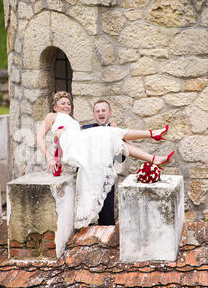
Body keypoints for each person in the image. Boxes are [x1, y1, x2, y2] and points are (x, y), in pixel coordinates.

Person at [36, 91, 173, 229]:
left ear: (109, 113)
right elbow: (40, 137)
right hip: (77, 153)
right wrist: (50, 157)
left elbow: (119, 159)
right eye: (62, 103)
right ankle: (151, 135)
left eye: (68, 103)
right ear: (55, 107)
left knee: (114, 135)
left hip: (103, 171)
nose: (66, 106)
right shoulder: (54, 117)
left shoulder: (76, 124)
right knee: (111, 133)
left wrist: (113, 134)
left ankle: (153, 157)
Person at [81, 100, 118, 226]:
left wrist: (116, 135)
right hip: (87, 182)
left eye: (104, 110)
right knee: (84, 219)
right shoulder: (85, 130)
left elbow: (120, 158)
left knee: (107, 219)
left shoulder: (115, 131)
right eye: (98, 111)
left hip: (106, 182)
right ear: (94, 114)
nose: (101, 113)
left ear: (110, 113)